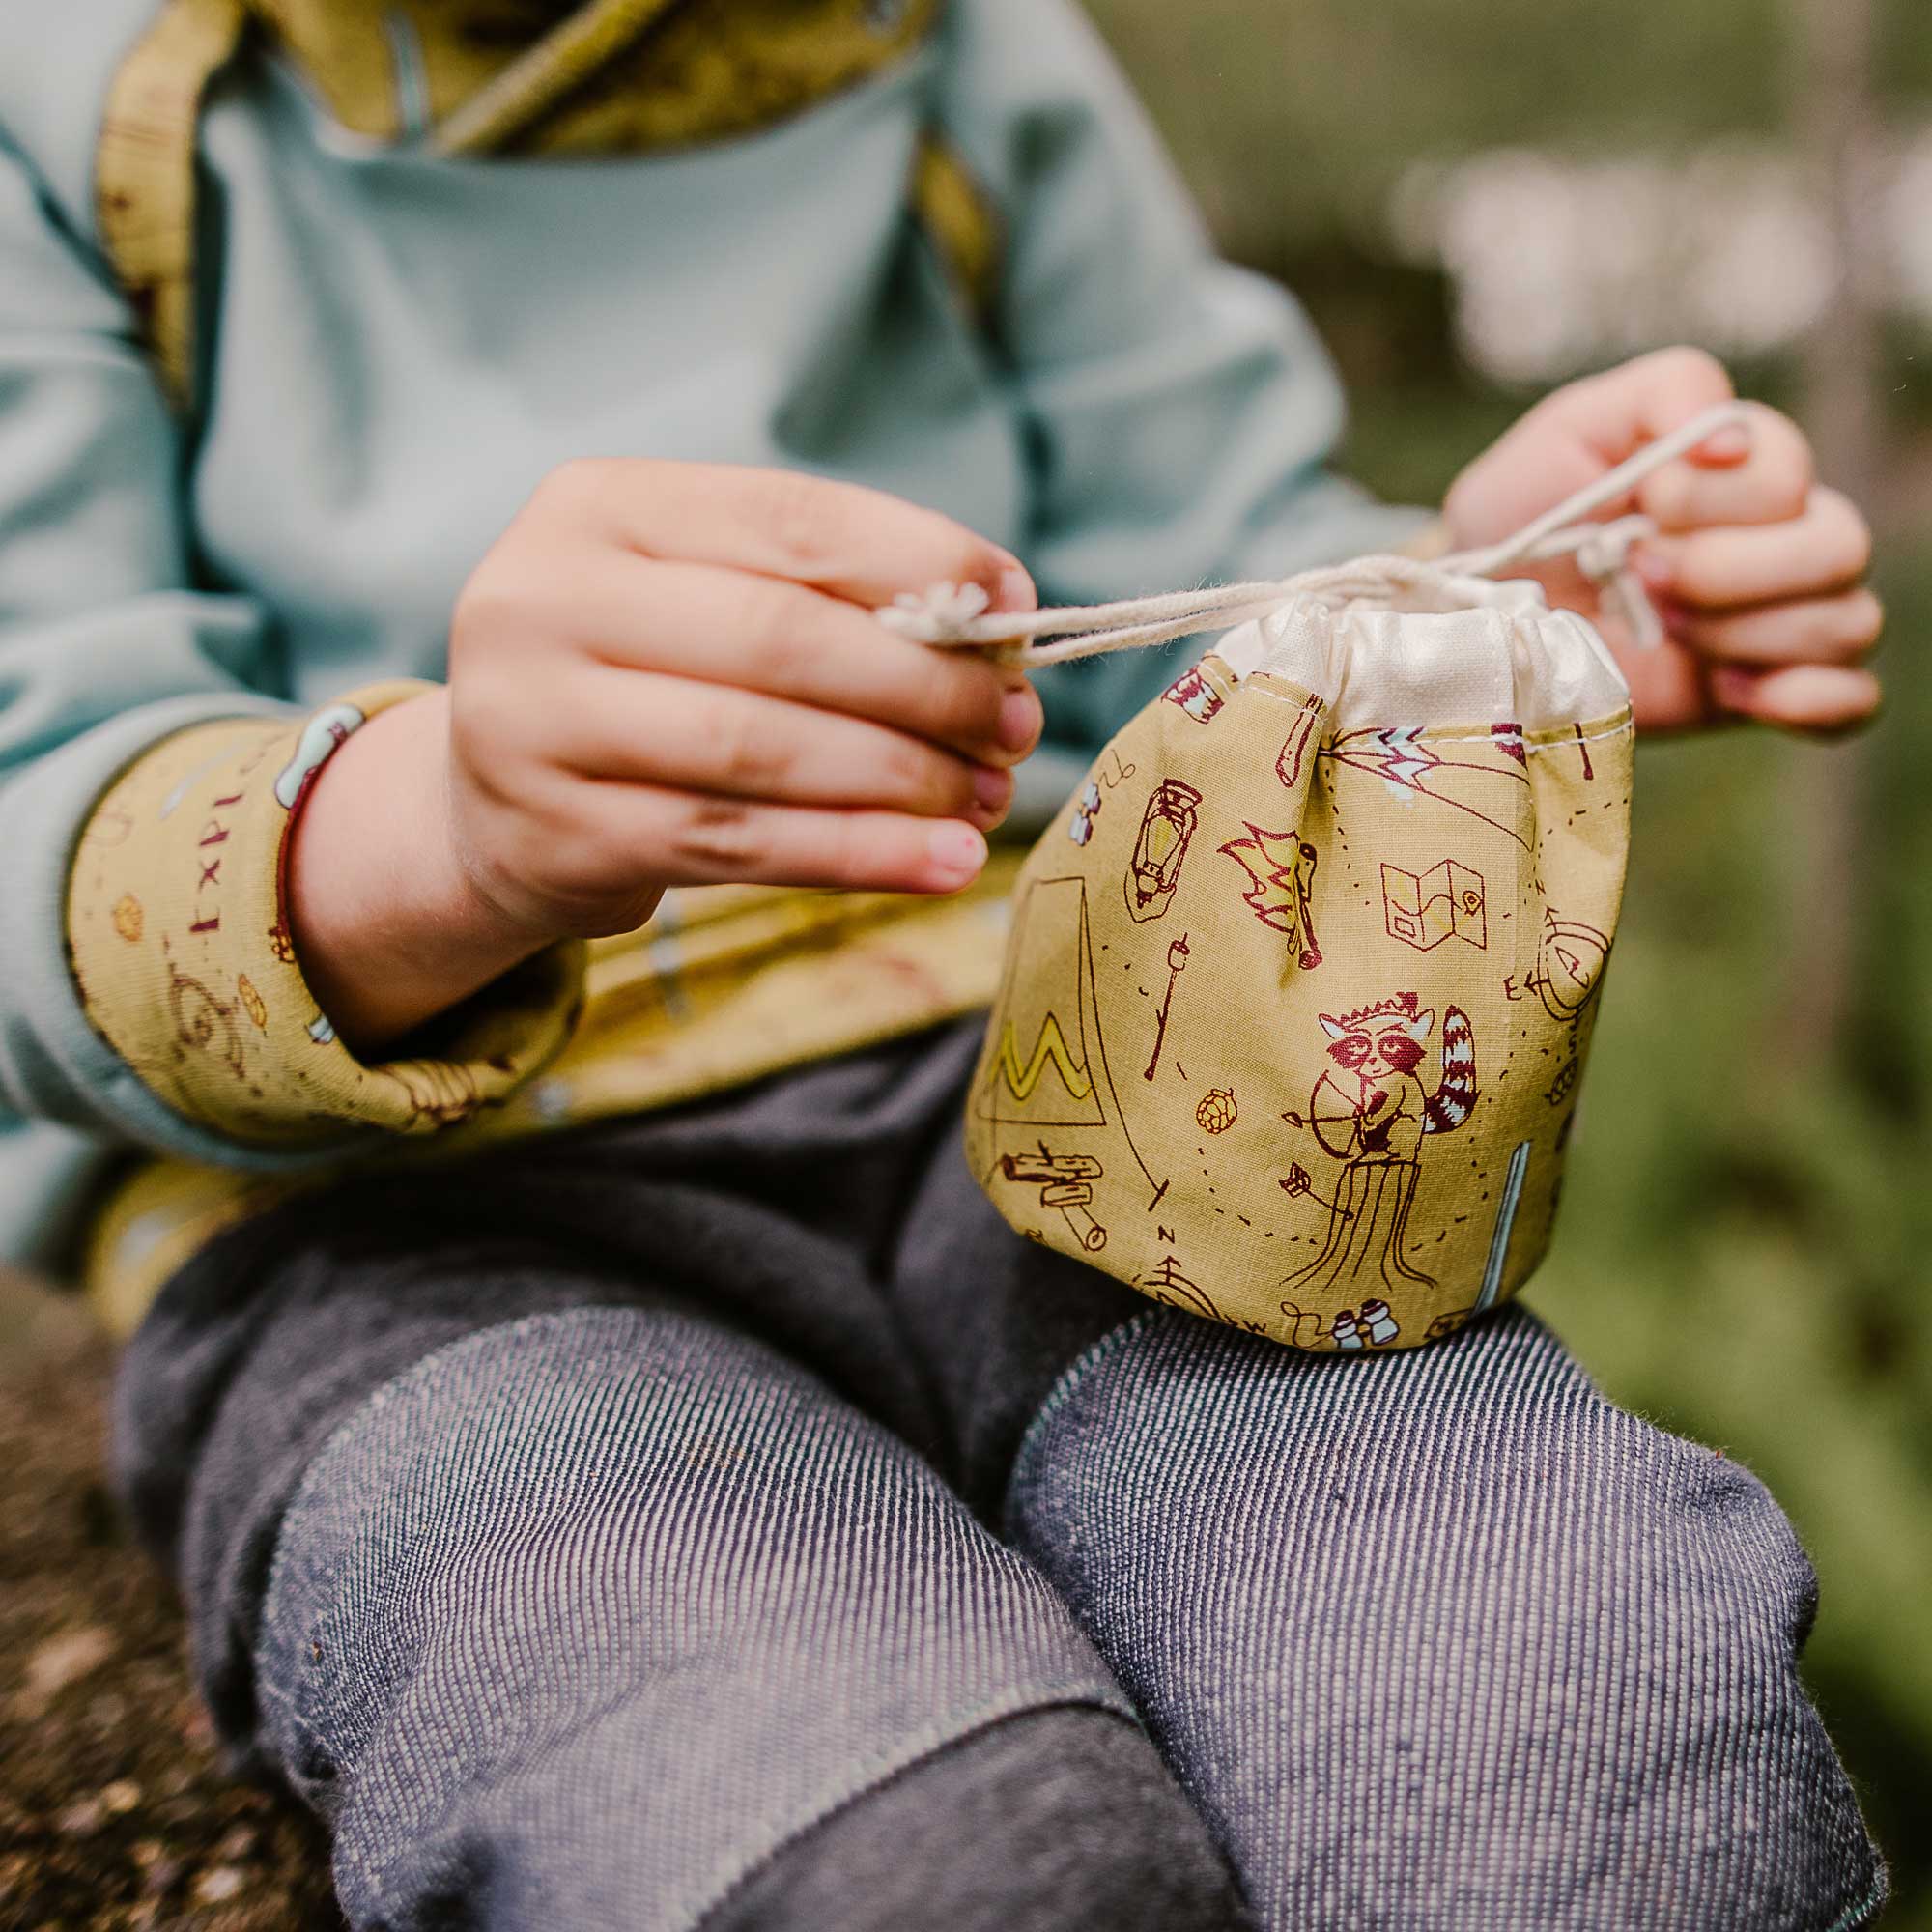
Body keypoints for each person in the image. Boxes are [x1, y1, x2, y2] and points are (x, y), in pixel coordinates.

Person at [0, 1, 1889, 1926]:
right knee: (884, 1845)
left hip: (1101, 1096)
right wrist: (443, 832)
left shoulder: (962, 51)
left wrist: (1437, 618)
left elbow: (1205, 564)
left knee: (1567, 1712)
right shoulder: (73, 108)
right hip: (402, 1232)